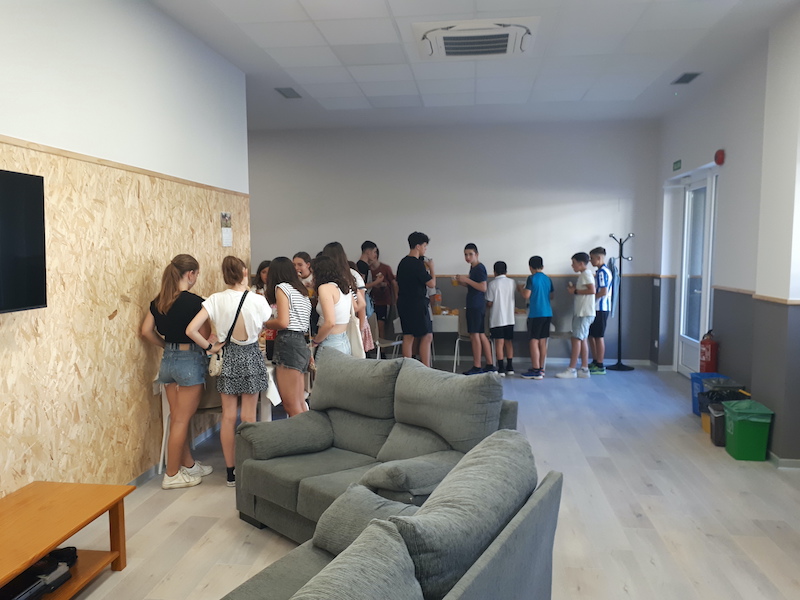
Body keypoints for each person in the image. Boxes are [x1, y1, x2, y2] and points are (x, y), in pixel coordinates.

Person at [186, 256, 271, 487]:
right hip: (251, 355)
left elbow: (191, 330)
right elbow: (265, 321)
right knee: (249, 417)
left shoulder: (215, 299)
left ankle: (231, 472)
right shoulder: (258, 300)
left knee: (228, 416)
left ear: (224, 274)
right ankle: (248, 467)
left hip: (228, 356)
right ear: (244, 272)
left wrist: (210, 347)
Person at [141, 254, 214, 489]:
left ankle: (188, 465)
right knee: (181, 420)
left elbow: (146, 331)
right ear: (190, 274)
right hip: (189, 361)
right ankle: (172, 475)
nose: (196, 278)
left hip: (168, 361)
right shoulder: (196, 302)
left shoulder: (159, 301)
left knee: (176, 418)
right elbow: (205, 334)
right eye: (197, 274)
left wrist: (165, 345)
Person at [264, 257, 312, 417]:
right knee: (300, 402)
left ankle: (300, 433)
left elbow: (283, 322)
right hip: (300, 343)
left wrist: (264, 323)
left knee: (291, 405)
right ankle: (309, 431)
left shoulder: (282, 288)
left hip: (288, 342)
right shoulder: (301, 291)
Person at [396, 231, 435, 367]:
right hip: (416, 304)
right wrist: (432, 268)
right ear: (418, 246)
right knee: (427, 336)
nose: (425, 249)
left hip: (403, 302)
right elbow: (431, 283)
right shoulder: (417, 264)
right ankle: (426, 368)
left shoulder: (402, 262)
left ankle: (407, 368)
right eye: (424, 246)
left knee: (408, 336)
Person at [456, 243, 495, 374]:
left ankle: (477, 366)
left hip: (476, 305)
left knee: (475, 335)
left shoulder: (479, 268)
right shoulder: (473, 268)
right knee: (481, 334)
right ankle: (490, 364)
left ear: (477, 254)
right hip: (476, 304)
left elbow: (483, 287)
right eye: (465, 255)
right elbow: (475, 286)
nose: (467, 257)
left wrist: (466, 280)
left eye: (470, 254)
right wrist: (462, 282)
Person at [556, 252, 596, 379]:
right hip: (584, 312)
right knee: (582, 339)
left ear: (581, 263)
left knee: (576, 339)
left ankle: (571, 369)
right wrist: (575, 289)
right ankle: (584, 369)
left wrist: (576, 291)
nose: (572, 265)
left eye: (574, 263)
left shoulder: (586, 274)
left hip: (583, 313)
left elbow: (592, 290)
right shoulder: (584, 275)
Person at [517, 256, 554, 380]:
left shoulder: (531, 278)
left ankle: (535, 369)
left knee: (533, 340)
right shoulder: (548, 279)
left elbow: (526, 295)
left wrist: (520, 289)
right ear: (542, 266)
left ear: (530, 267)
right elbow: (551, 296)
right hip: (547, 313)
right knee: (543, 341)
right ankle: (541, 368)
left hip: (536, 313)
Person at [310, 255, 355, 355]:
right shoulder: (343, 286)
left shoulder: (325, 288)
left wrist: (316, 341)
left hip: (330, 341)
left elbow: (330, 323)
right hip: (344, 340)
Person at [486, 261, 517, 376]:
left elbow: (490, 302)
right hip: (510, 318)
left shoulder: (492, 284)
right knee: (509, 342)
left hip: (497, 318)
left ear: (494, 272)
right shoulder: (512, 282)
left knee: (499, 343)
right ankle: (510, 367)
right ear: (506, 271)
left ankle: (501, 368)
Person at [588, 247, 613, 375]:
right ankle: (595, 360)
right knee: (591, 335)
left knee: (598, 336)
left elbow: (603, 291)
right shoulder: (600, 271)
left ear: (599, 258)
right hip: (597, 308)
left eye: (592, 258)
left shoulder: (603, 272)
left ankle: (600, 364)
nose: (590, 261)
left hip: (600, 308)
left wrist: (591, 299)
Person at [369, 246, 397, 341]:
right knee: (371, 326)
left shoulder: (385, 268)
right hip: (371, 302)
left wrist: (395, 299)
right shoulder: (367, 270)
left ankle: (382, 349)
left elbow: (394, 283)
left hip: (384, 302)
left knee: (381, 326)